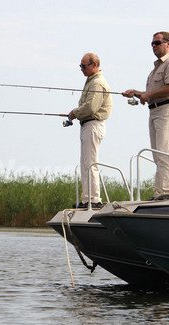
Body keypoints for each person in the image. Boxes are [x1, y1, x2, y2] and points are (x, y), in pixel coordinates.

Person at [123, 31, 169, 200]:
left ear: (168, 44)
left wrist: (148, 95)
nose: (154, 46)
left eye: (157, 43)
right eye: (152, 43)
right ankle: (160, 192)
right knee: (157, 154)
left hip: (166, 110)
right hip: (154, 111)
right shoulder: (155, 68)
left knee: (164, 152)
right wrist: (137, 93)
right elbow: (151, 93)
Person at [69, 53, 112, 209]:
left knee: (90, 162)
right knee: (86, 163)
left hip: (93, 124)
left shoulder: (97, 84)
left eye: (84, 66)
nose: (81, 69)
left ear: (94, 65)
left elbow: (91, 108)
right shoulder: (91, 82)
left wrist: (74, 113)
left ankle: (93, 200)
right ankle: (87, 198)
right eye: (80, 66)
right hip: (88, 125)